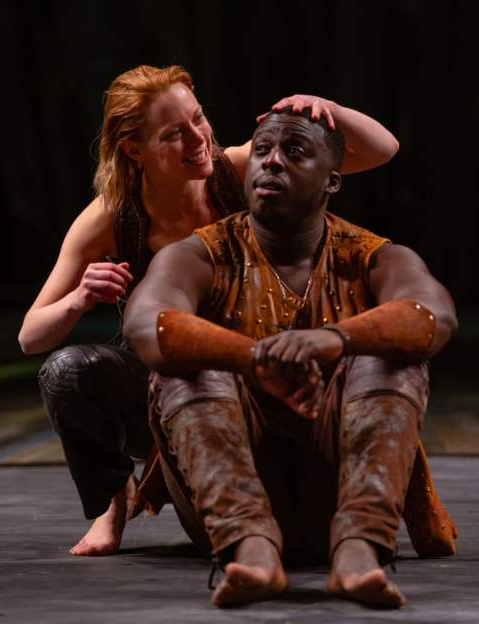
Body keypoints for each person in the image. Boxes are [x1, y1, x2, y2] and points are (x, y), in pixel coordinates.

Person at [18, 63, 401, 557]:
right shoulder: (110, 216)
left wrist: (331, 111)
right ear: (134, 149)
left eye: (198, 118)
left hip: (254, 376)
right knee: (67, 372)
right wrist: (79, 298)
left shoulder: (239, 170)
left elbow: (383, 150)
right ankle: (114, 501)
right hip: (163, 384)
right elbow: (31, 336)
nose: (198, 138)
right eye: (174, 134)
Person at [123, 106, 458, 609]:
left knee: (391, 357)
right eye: (261, 151)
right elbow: (147, 325)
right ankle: (253, 551)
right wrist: (252, 357)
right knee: (189, 369)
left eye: (294, 152)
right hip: (221, 516)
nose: (271, 162)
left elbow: (434, 317)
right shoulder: (199, 253)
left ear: (332, 181)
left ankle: (359, 550)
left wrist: (336, 339)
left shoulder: (373, 255)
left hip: (337, 494)